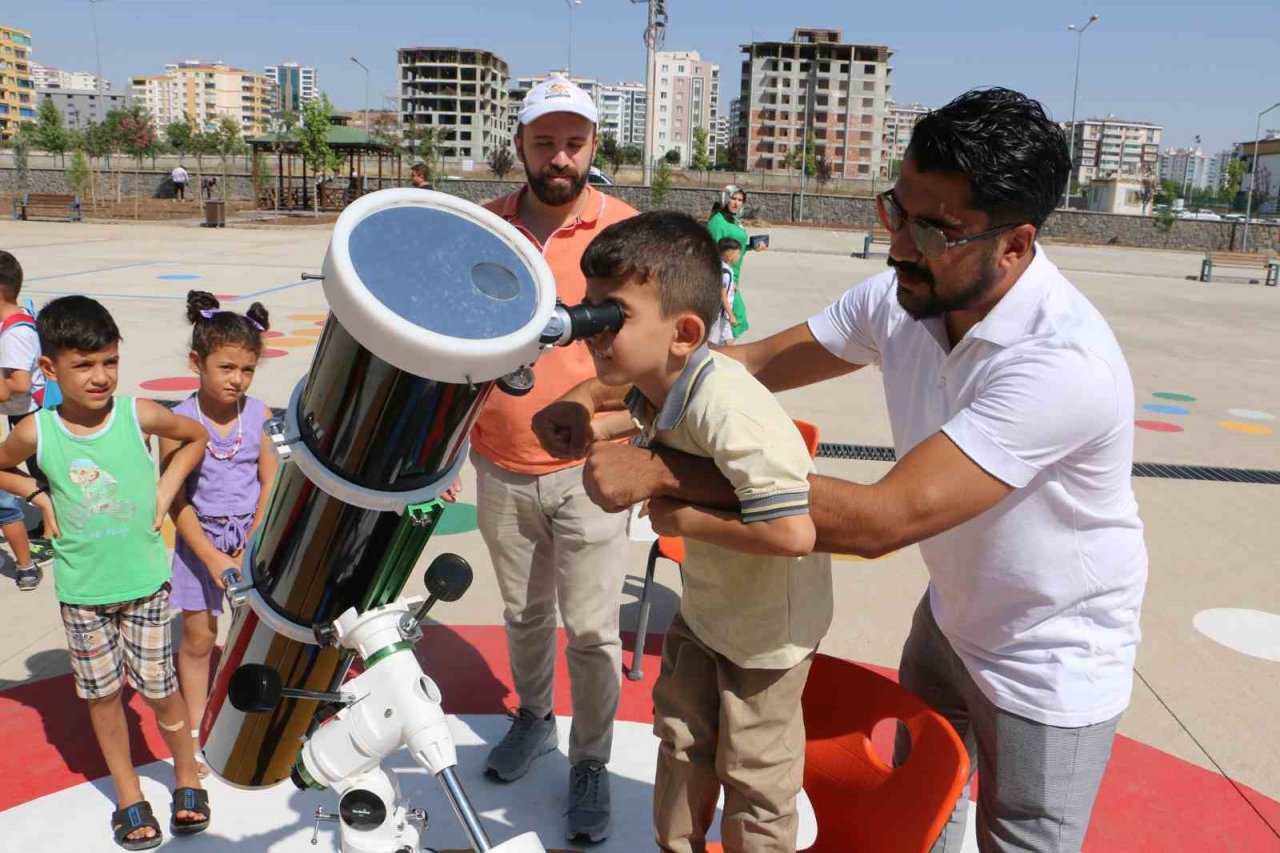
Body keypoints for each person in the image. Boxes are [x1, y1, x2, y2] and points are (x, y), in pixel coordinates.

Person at [541, 88, 1148, 853]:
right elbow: (740, 363)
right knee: (922, 819)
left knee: (1021, 837)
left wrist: (661, 473)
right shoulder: (905, 295)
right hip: (950, 619)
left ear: (1015, 246)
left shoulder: (1061, 364)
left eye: (935, 229)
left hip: (1051, 655)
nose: (899, 244)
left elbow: (876, 521)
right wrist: (587, 391)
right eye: (896, 210)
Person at [561, 211, 830, 852]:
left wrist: (678, 516)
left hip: (768, 636)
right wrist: (582, 423)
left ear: (683, 332)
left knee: (755, 778)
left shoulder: (728, 406)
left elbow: (794, 532)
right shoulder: (655, 385)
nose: (592, 326)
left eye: (612, 313)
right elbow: (629, 418)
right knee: (681, 741)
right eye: (589, 307)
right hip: (708, 610)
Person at [470, 74, 637, 844]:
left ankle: (591, 762)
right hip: (500, 465)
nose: (560, 156)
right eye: (545, 141)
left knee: (594, 631)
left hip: (590, 476)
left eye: (573, 142)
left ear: (594, 146)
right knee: (524, 612)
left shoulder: (629, 236)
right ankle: (534, 717)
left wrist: (605, 418)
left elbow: (656, 361)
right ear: (521, 146)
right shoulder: (483, 227)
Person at [0, 295, 212, 849]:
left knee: (162, 691)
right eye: (84, 365)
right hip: (82, 592)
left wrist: (165, 488)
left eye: (110, 362)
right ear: (48, 369)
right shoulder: (37, 432)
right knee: (102, 698)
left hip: (144, 584)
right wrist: (36, 493)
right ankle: (129, 793)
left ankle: (186, 772)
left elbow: (195, 437)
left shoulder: (137, 414)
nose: (101, 377)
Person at [160, 291, 276, 779]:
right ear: (196, 362)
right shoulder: (178, 421)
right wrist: (208, 555)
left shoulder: (259, 414)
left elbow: (271, 479)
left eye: (246, 370)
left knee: (258, 630)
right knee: (198, 636)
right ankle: (193, 728)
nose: (237, 380)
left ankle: (251, 714)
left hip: (250, 541)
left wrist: (255, 536)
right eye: (227, 367)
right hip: (197, 545)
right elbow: (176, 499)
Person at [0, 251, 52, 589]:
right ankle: (49, 525)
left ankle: (51, 534)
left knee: (40, 472)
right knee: (37, 471)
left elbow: (16, 384)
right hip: (23, 412)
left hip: (29, 413)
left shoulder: (14, 333)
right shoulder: (12, 324)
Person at [707, 185, 764, 339]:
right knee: (735, 316)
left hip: (733, 275)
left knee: (728, 321)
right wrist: (726, 280)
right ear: (725, 198)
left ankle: (722, 352)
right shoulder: (718, 222)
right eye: (733, 198)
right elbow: (713, 252)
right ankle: (721, 353)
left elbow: (731, 247)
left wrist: (751, 247)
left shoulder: (732, 220)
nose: (736, 203)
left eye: (740, 200)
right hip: (724, 277)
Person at [708, 237, 740, 347]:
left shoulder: (723, 267)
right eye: (737, 253)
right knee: (712, 342)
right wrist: (731, 315)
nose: (738, 256)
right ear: (729, 256)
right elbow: (723, 296)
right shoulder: (725, 272)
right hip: (721, 315)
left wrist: (732, 286)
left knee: (728, 341)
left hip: (723, 315)